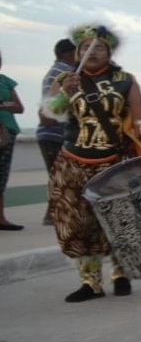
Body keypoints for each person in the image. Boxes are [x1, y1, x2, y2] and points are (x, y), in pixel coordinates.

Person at [41, 24, 141, 300]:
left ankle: (120, 273)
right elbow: (47, 117)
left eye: (99, 47)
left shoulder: (125, 80)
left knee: (118, 221)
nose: (92, 52)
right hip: (72, 162)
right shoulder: (67, 79)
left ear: (109, 52)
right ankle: (90, 282)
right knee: (77, 223)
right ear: (77, 53)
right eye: (85, 48)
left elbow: (140, 119)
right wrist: (63, 93)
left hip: (113, 163)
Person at [35, 38, 78, 225]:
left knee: (57, 174)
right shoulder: (66, 73)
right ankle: (53, 214)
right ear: (68, 54)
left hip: (46, 132)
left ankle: (53, 213)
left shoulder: (51, 72)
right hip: (55, 131)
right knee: (60, 175)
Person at [0, 49, 25, 230]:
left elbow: (19, 107)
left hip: (7, 134)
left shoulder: (6, 81)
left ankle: (1, 218)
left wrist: (3, 105)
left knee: (1, 176)